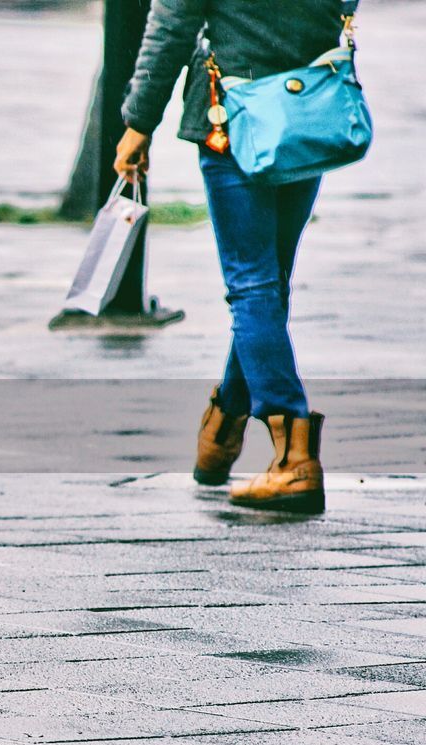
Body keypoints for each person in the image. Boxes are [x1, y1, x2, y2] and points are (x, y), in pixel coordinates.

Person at [114, 0, 351, 515]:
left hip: (233, 114)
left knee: (252, 284)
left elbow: (171, 26)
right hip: (307, 103)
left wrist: (138, 121)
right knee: (269, 282)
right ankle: (222, 428)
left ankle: (293, 460)